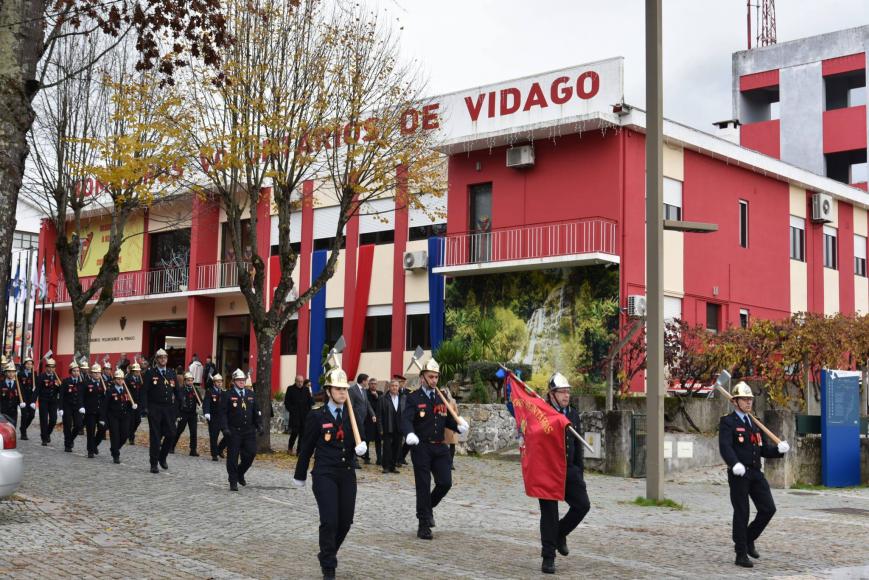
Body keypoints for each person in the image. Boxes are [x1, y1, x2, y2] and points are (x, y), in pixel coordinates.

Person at [292, 366, 367, 580]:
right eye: (338, 389)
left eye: (345, 389)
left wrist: (362, 447)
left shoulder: (352, 414)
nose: (343, 393)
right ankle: (329, 565)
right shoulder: (317, 416)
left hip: (346, 472)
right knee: (330, 520)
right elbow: (306, 448)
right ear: (328, 391)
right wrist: (300, 474)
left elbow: (360, 438)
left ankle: (327, 552)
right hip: (324, 473)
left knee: (345, 521)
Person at [719, 381, 790, 568]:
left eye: (750, 399)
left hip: (756, 473)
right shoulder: (728, 422)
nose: (748, 402)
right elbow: (725, 446)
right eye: (744, 399)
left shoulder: (754, 422)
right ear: (735, 402)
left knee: (768, 509)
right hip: (739, 474)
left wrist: (779, 450)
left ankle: (749, 538)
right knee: (742, 512)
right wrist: (734, 463)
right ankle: (741, 553)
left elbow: (763, 449)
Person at [401, 358, 469, 540]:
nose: (434, 381)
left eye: (436, 377)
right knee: (423, 486)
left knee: (445, 483)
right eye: (430, 377)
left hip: (440, 448)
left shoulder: (442, 397)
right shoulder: (413, 397)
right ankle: (423, 525)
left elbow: (446, 420)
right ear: (422, 377)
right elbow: (406, 419)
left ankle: (426, 509)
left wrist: (458, 425)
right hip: (421, 447)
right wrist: (409, 433)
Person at [538, 372, 591, 575]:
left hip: (569, 470)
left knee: (582, 506)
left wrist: (579, 473)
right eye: (562, 392)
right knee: (549, 514)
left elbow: (577, 447)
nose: (566, 395)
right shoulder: (541, 413)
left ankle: (560, 533)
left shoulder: (573, 414)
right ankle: (548, 556)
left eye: (568, 392)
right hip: (548, 471)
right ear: (552, 394)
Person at [219, 369, 263, 491]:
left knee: (251, 453)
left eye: (243, 380)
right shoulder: (227, 394)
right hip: (234, 431)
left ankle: (240, 472)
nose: (242, 382)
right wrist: (224, 428)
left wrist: (259, 424)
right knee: (233, 457)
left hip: (248, 431)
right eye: (239, 380)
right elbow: (222, 413)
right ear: (233, 381)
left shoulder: (250, 394)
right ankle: (233, 480)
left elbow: (256, 412)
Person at [141, 348, 180, 474]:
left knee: (172, 434)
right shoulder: (150, 373)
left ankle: (162, 457)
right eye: (161, 358)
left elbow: (177, 392)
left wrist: (181, 406)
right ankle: (153, 464)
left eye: (165, 358)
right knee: (156, 437)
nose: (163, 360)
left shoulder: (171, 373)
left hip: (169, 409)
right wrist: (145, 407)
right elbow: (144, 392)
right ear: (157, 360)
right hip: (155, 408)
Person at [102, 369, 136, 464]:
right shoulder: (110, 391)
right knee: (115, 436)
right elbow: (105, 406)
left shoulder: (126, 391)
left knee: (125, 435)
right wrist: (103, 418)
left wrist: (133, 405)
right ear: (114, 380)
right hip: (113, 416)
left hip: (124, 416)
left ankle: (115, 448)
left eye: (121, 379)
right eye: (118, 379)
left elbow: (129, 402)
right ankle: (116, 455)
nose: (120, 381)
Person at [348, 373, 376, 469]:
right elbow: (350, 405)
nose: (368, 382)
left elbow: (367, 404)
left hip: (363, 419)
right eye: (367, 380)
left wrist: (372, 414)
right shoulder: (352, 390)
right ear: (363, 381)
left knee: (358, 439)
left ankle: (354, 458)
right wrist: (354, 417)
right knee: (354, 439)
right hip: (355, 419)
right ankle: (353, 460)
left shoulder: (364, 391)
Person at [377, 379, 405, 474]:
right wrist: (380, 428)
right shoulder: (383, 398)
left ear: (398, 387)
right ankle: (386, 466)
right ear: (389, 387)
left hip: (399, 426)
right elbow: (379, 415)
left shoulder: (402, 397)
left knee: (397, 447)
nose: (394, 387)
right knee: (387, 447)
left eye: (396, 386)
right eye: (392, 385)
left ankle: (393, 466)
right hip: (387, 426)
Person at [173, 371, 201, 456]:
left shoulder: (195, 390)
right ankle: (171, 446)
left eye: (191, 380)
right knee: (179, 430)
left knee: (193, 432)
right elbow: (177, 403)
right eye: (188, 380)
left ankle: (193, 450)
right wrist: (177, 415)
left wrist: (201, 403)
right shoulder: (181, 390)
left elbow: (200, 401)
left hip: (192, 414)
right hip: (183, 413)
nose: (190, 382)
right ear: (185, 381)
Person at [83, 363, 108, 458]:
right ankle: (90, 450)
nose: (97, 374)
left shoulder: (105, 384)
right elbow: (83, 397)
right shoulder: (87, 383)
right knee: (91, 430)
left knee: (103, 429)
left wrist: (107, 393)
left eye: (99, 373)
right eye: (95, 373)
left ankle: (94, 445)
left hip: (101, 412)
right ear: (91, 374)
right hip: (90, 411)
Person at [59, 361, 85, 452]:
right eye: (74, 371)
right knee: (67, 425)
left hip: (77, 407)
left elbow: (82, 396)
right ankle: (67, 445)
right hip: (67, 406)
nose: (76, 372)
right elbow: (61, 395)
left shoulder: (82, 383)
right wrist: (60, 408)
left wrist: (82, 406)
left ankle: (70, 439)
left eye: (78, 371)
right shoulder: (66, 381)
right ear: (70, 372)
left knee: (78, 425)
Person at [285, 374, 313, 454]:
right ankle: (290, 448)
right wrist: (292, 410)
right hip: (295, 415)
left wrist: (308, 412)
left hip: (304, 416)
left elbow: (310, 402)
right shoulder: (290, 389)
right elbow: (287, 402)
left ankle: (299, 451)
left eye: (302, 382)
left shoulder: (306, 389)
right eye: (299, 382)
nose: (300, 383)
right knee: (294, 432)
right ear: (295, 381)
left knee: (302, 434)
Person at [36, 358, 61, 446]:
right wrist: (33, 401)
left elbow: (59, 391)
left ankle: (47, 434)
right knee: (44, 420)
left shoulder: (56, 377)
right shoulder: (41, 376)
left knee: (53, 420)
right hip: (43, 401)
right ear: (46, 367)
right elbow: (37, 390)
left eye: (53, 367)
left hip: (53, 401)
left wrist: (59, 386)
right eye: (49, 367)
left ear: (55, 368)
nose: (51, 369)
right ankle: (44, 438)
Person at [203, 373, 227, 461]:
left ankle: (220, 449)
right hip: (213, 417)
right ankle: (214, 454)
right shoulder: (210, 391)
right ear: (214, 383)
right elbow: (206, 402)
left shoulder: (224, 392)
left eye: (221, 382)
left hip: (223, 417)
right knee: (214, 437)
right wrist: (206, 412)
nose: (220, 383)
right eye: (218, 382)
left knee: (228, 434)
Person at [125, 363, 144, 445]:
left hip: (138, 403)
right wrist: (130, 401)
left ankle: (130, 432)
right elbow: (126, 391)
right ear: (132, 371)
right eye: (136, 371)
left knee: (138, 420)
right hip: (130, 403)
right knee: (132, 421)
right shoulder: (128, 379)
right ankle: (131, 438)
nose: (138, 373)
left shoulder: (139, 379)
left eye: (139, 371)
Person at [441, 384, 459, 470]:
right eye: (442, 392)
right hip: (442, 425)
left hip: (451, 424)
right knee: (442, 444)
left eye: (444, 392)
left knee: (452, 445)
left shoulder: (453, 401)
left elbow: (456, 413)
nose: (443, 393)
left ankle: (451, 462)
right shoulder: (439, 401)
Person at [17, 357, 36, 440]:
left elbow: (36, 385)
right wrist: (20, 399)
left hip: (31, 398)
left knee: (32, 415)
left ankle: (23, 428)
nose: (29, 365)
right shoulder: (20, 374)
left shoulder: (34, 373)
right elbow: (18, 386)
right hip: (23, 397)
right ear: (25, 365)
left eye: (31, 364)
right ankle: (23, 434)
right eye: (28, 364)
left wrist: (35, 388)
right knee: (24, 415)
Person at [0, 362, 23, 429]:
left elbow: (20, 397)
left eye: (13, 372)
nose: (11, 374)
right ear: (5, 373)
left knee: (12, 428)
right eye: (9, 372)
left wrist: (21, 403)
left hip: (13, 411)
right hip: (3, 411)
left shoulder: (18, 385)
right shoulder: (1, 384)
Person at [364, 377, 381, 465]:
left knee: (378, 440)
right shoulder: (365, 393)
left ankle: (379, 459)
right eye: (372, 384)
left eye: (375, 384)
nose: (373, 385)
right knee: (367, 440)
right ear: (369, 384)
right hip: (368, 420)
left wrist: (377, 397)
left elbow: (382, 405)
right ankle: (366, 457)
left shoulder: (380, 393)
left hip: (378, 421)